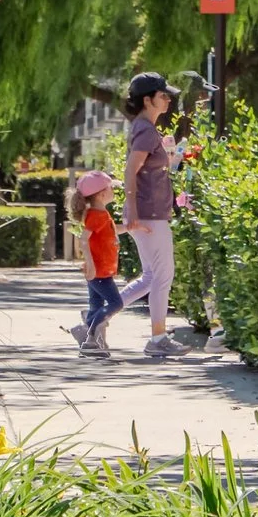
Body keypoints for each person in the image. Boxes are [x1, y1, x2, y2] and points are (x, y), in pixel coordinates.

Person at [103, 71, 183, 359]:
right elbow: (130, 170)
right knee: (162, 276)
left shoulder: (146, 128)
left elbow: (148, 168)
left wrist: (170, 157)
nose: (168, 99)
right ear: (148, 100)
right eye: (163, 95)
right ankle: (158, 338)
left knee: (151, 277)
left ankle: (94, 319)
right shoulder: (146, 130)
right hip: (149, 214)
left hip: (150, 212)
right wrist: (133, 209)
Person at [65, 170, 121, 355]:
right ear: (102, 193)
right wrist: (90, 263)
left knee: (96, 304)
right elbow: (84, 239)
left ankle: (89, 337)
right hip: (99, 270)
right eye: (111, 188)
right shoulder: (97, 215)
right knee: (115, 303)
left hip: (100, 269)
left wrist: (131, 227)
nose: (114, 191)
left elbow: (110, 231)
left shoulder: (100, 214)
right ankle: (89, 335)